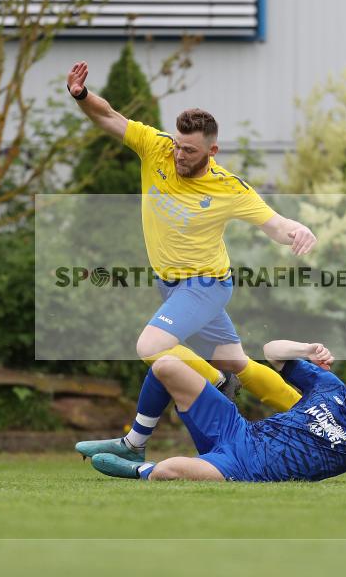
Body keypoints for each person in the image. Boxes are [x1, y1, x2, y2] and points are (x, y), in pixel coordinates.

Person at [66, 61, 315, 461]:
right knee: (239, 363)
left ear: (212, 151)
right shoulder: (157, 146)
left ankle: (209, 387)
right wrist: (80, 95)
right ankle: (316, 418)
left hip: (206, 285)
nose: (179, 155)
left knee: (152, 346)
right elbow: (109, 117)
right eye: (178, 146)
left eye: (190, 150)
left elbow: (276, 225)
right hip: (173, 286)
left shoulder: (228, 187)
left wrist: (299, 230)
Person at [87, 340, 346, 485]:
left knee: (170, 471)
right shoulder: (328, 385)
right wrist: (307, 350)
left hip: (247, 469)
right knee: (165, 367)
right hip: (238, 430)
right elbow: (270, 351)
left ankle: (140, 472)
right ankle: (134, 447)